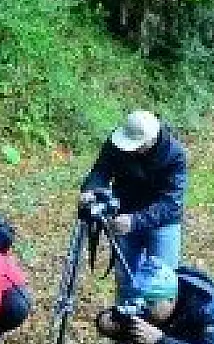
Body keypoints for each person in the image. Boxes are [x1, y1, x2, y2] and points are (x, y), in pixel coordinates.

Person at [80, 110, 187, 286]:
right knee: (126, 279)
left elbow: (171, 204)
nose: (130, 148)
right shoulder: (117, 142)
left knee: (162, 282)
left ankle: (154, 314)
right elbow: (101, 170)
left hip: (162, 222)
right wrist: (91, 190)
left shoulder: (175, 155)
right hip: (124, 214)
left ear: (151, 140)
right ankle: (125, 313)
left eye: (136, 145)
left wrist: (135, 221)